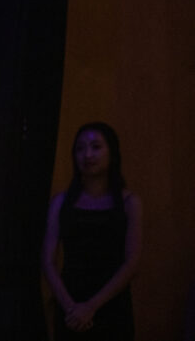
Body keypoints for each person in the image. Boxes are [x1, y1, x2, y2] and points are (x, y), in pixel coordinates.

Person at [42, 122, 141, 340]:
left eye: (96, 147)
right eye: (80, 148)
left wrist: (92, 306)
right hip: (69, 302)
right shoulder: (61, 202)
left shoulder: (129, 203)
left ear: (112, 152)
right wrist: (70, 307)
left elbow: (132, 262)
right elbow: (48, 261)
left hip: (112, 304)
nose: (87, 154)